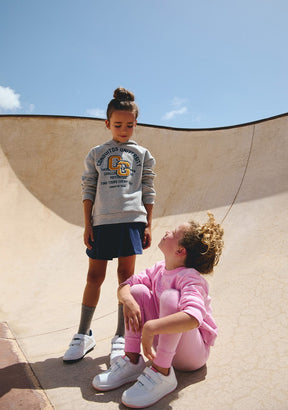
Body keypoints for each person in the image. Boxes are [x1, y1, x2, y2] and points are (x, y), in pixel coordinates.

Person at [92, 212, 224, 408]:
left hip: (192, 356)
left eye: (174, 233)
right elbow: (126, 286)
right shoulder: (159, 269)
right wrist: (127, 299)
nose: (167, 231)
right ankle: (132, 360)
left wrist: (151, 327)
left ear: (180, 251)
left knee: (171, 297)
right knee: (137, 291)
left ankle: (162, 374)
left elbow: (193, 318)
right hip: (165, 346)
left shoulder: (190, 278)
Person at [63, 87, 156, 364]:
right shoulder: (97, 153)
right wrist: (87, 224)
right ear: (107, 123)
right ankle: (83, 334)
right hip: (102, 222)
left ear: (136, 123)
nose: (124, 129)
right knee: (94, 278)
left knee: (125, 279)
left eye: (129, 125)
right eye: (118, 125)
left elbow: (148, 190)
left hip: (131, 221)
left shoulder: (142, 154)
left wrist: (148, 225)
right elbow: (88, 188)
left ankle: (120, 336)